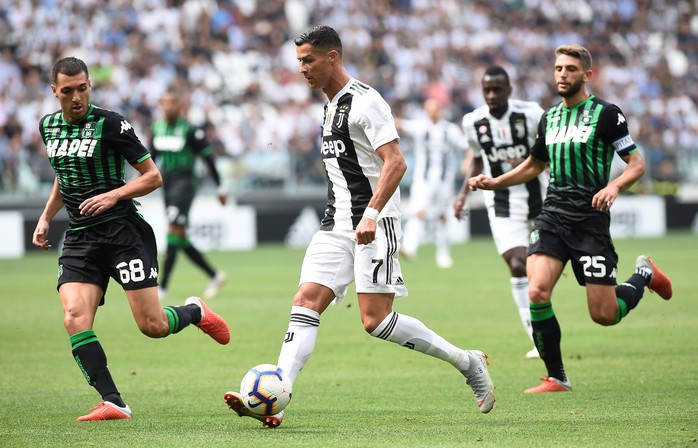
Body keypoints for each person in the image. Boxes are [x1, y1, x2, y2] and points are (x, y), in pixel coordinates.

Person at [223, 25, 495, 427]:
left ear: (332, 57)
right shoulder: (330, 106)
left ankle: (467, 361)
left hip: (375, 222)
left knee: (375, 321)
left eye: (308, 60)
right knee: (305, 301)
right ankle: (277, 400)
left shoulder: (366, 102)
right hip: (335, 224)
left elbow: (396, 162)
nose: (302, 69)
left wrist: (370, 213)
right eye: (298, 62)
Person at [32, 57, 230, 421]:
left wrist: (114, 194)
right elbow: (64, 173)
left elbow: (152, 176)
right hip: (79, 237)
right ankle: (114, 401)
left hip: (123, 231)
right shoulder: (47, 127)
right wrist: (46, 216)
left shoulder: (110, 123)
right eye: (68, 91)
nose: (76, 97)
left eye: (82, 88)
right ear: (54, 92)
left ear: (89, 85)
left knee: (151, 326)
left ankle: (195, 311)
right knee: (75, 317)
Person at [468, 45, 673, 394]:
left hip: (590, 222)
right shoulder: (550, 118)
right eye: (559, 68)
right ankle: (557, 377)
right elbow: (535, 165)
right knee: (536, 289)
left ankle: (643, 274)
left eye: (570, 69)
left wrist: (615, 186)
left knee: (604, 314)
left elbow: (636, 163)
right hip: (552, 217)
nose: (562, 74)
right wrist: (495, 181)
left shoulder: (607, 115)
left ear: (586, 75)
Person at [454, 66, 547, 359]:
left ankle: (543, 320)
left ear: (509, 90)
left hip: (539, 199)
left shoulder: (531, 114)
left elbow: (547, 151)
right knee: (517, 264)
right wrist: (462, 194)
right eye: (487, 90)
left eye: (497, 89)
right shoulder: (473, 122)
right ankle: (538, 336)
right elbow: (478, 159)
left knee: (540, 269)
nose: (492, 95)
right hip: (502, 202)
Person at [150, 91, 228, 301]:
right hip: (167, 184)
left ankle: (162, 286)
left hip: (185, 184)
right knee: (179, 237)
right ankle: (215, 275)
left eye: (172, 102)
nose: (168, 107)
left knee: (173, 228)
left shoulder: (190, 131)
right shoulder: (156, 129)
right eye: (164, 103)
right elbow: (150, 160)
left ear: (180, 105)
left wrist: (220, 188)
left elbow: (209, 159)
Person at [398, 98, 466, 269]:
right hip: (423, 180)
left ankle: (443, 254)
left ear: (440, 110)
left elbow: (466, 146)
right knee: (417, 212)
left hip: (445, 180)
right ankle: (409, 247)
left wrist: (467, 161)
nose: (431, 111)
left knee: (442, 216)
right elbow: (399, 123)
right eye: (428, 108)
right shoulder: (420, 127)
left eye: (434, 108)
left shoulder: (450, 130)